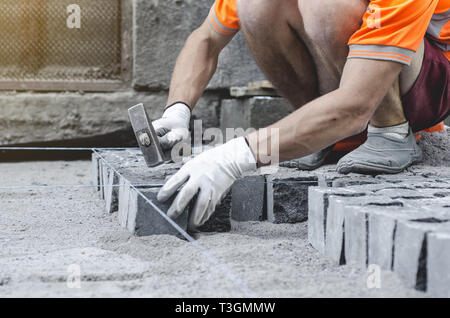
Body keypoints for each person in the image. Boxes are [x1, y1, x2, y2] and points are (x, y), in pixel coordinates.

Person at [152, 0, 450, 229]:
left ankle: (390, 131)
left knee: (327, 5)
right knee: (255, 6)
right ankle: (325, 135)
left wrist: (233, 158)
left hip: (429, 80)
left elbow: (356, 105)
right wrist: (177, 110)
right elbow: (206, 39)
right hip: (359, 79)